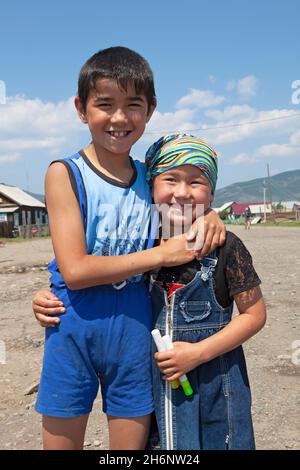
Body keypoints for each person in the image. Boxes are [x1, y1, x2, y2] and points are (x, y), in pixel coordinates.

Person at [33, 47, 225, 451]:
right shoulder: (64, 174)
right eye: (104, 104)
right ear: (81, 109)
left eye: (132, 105)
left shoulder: (151, 179)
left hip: (136, 328)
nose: (119, 118)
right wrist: (161, 255)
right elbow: (75, 271)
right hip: (73, 324)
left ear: (150, 110)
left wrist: (209, 217)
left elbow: (186, 207)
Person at [144, 134, 266, 450]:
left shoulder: (227, 248)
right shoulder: (138, 245)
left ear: (210, 194)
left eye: (196, 182)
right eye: (170, 179)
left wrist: (198, 353)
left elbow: (254, 315)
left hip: (218, 391)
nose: (182, 192)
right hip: (152, 394)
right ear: (152, 186)